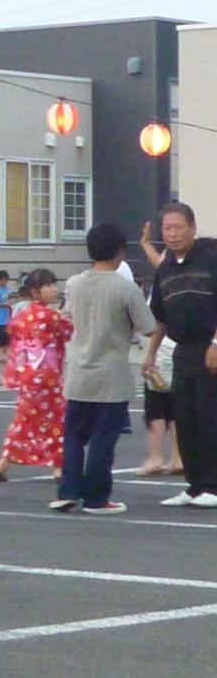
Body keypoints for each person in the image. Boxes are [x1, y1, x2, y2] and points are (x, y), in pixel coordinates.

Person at [52, 223, 156, 514]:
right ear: (120, 251)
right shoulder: (126, 287)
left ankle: (68, 490)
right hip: (111, 375)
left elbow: (66, 315)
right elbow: (148, 327)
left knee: (73, 436)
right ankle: (97, 498)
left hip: (79, 373)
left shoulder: (74, 284)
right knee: (102, 439)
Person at [146, 203, 217, 508]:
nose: (172, 234)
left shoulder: (211, 261)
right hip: (182, 350)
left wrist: (216, 344)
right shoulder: (165, 268)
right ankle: (194, 485)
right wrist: (149, 355)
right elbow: (160, 317)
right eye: (167, 228)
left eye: (177, 227)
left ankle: (213, 485)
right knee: (185, 418)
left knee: (209, 416)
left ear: (192, 227)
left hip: (210, 347)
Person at [0, 269, 73, 483]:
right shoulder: (50, 315)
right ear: (36, 291)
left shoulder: (22, 315)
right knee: (54, 419)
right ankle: (57, 466)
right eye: (49, 285)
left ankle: (3, 463)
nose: (54, 288)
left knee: (24, 420)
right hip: (47, 375)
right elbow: (67, 332)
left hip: (27, 374)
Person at [137, 221, 183, 476]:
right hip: (171, 342)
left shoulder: (170, 270)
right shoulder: (174, 268)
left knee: (160, 401)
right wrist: (145, 244)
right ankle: (175, 456)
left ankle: (161, 456)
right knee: (175, 402)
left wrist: (146, 244)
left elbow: (160, 262)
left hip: (167, 343)